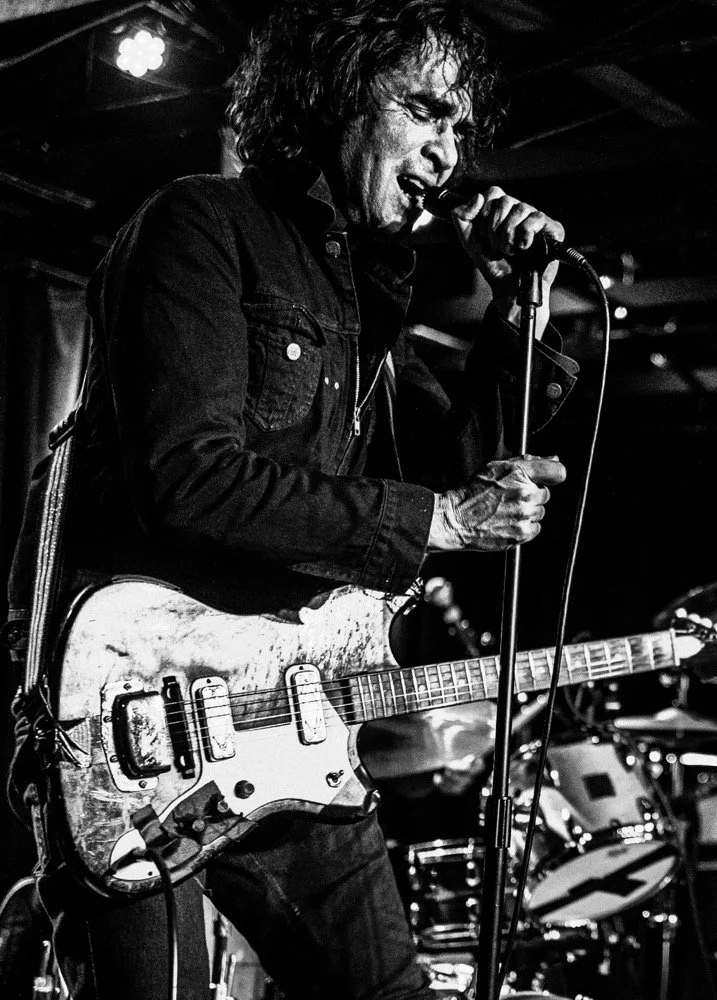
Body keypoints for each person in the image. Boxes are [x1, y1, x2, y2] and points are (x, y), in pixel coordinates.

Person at [5, 1, 578, 996]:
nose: (447, 153)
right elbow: (189, 477)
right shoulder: (200, 224)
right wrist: (443, 520)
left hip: (289, 718)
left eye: (459, 129)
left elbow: (454, 470)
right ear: (336, 93)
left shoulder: (370, 308)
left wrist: (518, 317)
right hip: (137, 711)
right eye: (424, 112)